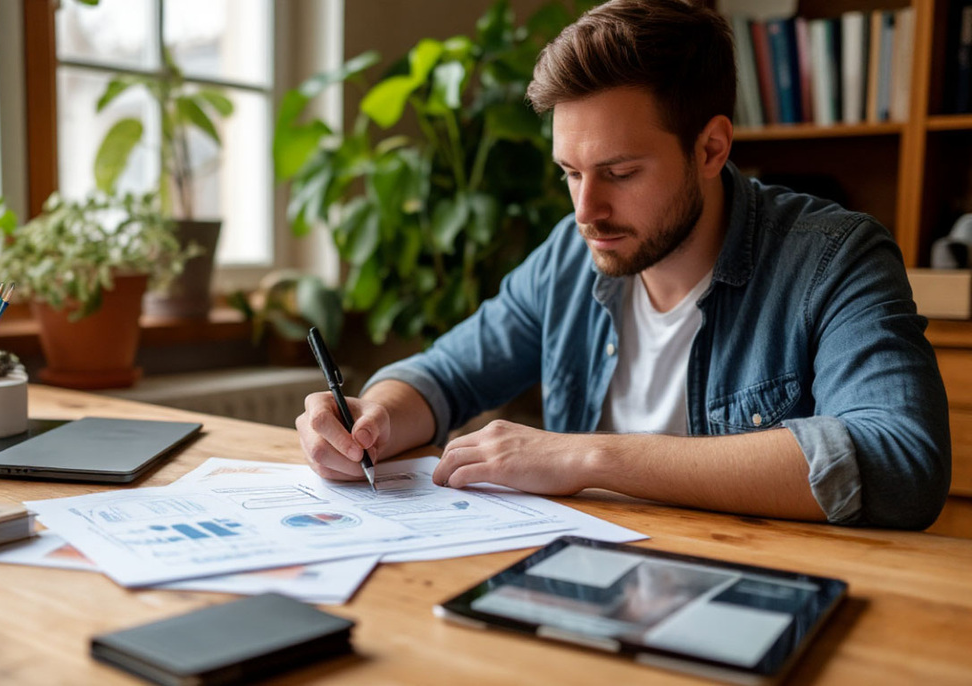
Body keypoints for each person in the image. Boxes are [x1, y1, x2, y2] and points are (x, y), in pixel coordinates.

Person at [295, 0, 950, 529]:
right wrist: (374, 419)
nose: (587, 210)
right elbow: (444, 374)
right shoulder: (569, 255)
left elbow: (899, 460)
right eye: (571, 172)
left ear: (711, 148)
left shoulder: (835, 258)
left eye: (620, 172)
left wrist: (589, 457)